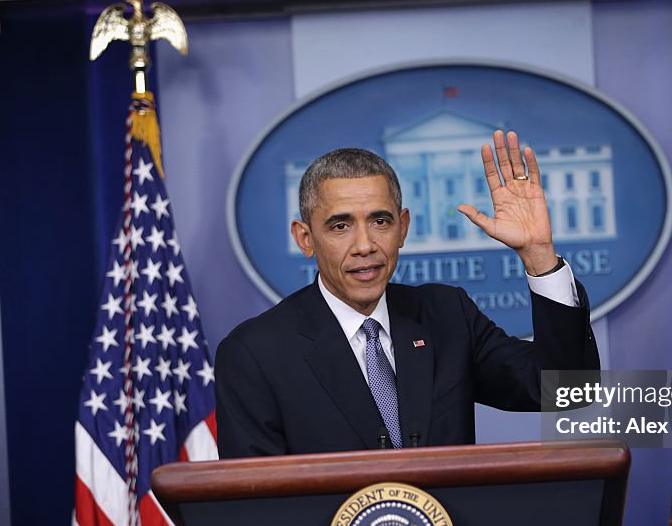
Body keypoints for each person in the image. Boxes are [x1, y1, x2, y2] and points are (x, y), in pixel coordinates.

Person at [216, 130, 600, 456]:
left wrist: (538, 255)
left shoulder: (447, 315)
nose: (364, 245)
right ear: (305, 238)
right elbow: (257, 507)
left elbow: (567, 390)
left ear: (402, 228)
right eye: (340, 226)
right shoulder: (255, 354)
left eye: (380, 221)